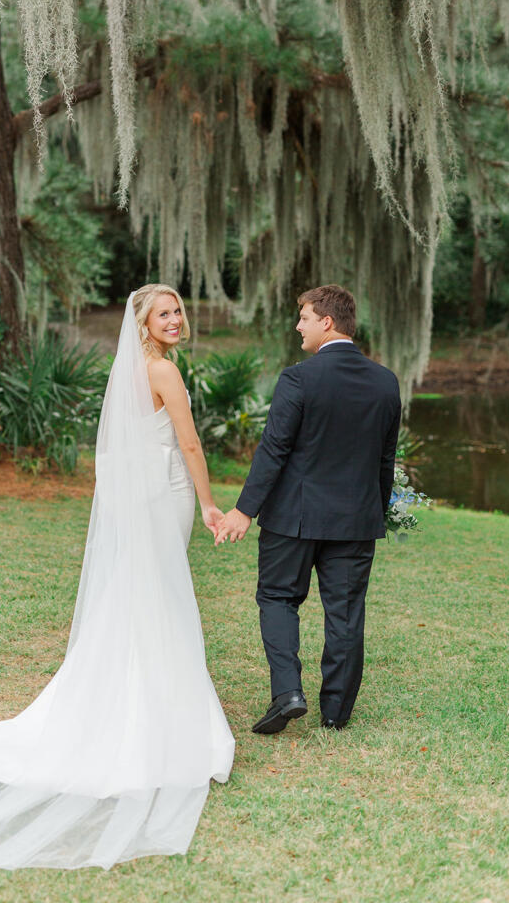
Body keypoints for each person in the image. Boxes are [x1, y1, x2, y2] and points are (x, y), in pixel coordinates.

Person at [0, 285, 234, 870]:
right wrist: (210, 505)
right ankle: (162, 713)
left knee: (144, 594)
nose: (177, 320)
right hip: (166, 497)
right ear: (144, 323)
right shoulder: (162, 372)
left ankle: (137, 692)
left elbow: (115, 452)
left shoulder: (130, 373)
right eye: (165, 313)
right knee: (163, 594)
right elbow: (188, 442)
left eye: (179, 311)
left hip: (139, 501)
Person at [216, 284, 401, 734]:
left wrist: (244, 510)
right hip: (356, 519)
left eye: (303, 317)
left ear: (327, 322)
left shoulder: (298, 378)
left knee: (278, 598)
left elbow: (273, 451)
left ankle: (288, 694)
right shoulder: (386, 382)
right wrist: (375, 511)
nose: (298, 325)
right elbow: (385, 458)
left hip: (293, 519)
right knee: (346, 610)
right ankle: (336, 713)